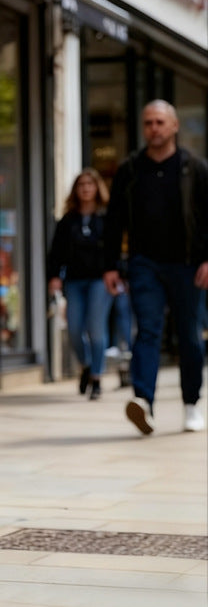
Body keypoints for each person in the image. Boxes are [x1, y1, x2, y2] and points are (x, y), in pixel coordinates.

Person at [104, 100, 208, 435]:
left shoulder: (195, 167)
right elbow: (114, 220)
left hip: (188, 264)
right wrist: (110, 265)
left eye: (160, 122)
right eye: (148, 122)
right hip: (143, 263)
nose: (154, 128)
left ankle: (191, 403)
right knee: (146, 331)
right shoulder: (130, 170)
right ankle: (144, 402)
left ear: (174, 126)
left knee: (189, 335)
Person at [48, 169, 113, 399]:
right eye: (81, 185)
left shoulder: (106, 217)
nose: (86, 188)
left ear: (97, 188)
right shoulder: (68, 220)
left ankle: (96, 377)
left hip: (100, 280)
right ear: (76, 190)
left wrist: (116, 273)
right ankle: (85, 364)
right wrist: (54, 277)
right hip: (74, 280)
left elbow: (114, 250)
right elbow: (56, 252)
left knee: (96, 329)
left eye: (90, 184)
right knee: (74, 329)